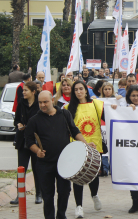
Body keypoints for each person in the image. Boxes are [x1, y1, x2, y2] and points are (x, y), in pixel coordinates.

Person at [25, 91, 95, 219]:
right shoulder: (34, 120)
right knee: (47, 195)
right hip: (44, 164)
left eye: (45, 102)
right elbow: (29, 141)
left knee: (64, 192)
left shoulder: (64, 114)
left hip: (64, 163)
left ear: (52, 100)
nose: (42, 105)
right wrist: (37, 151)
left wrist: (86, 144)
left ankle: (61, 215)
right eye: (40, 102)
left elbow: (74, 131)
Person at [65, 81, 104, 218]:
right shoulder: (68, 108)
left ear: (86, 90)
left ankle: (94, 195)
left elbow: (111, 115)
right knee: (78, 178)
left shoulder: (97, 104)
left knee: (94, 175)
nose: (78, 91)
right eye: (76, 89)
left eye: (81, 89)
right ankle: (79, 206)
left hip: (95, 145)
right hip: (77, 147)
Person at [111, 85, 138, 213]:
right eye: (133, 96)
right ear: (129, 97)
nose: (136, 98)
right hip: (130, 147)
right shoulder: (125, 109)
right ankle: (135, 202)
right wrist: (121, 110)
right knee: (131, 172)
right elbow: (115, 113)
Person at [10, 81, 42, 205]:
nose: (23, 92)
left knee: (37, 168)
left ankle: (38, 194)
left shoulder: (39, 104)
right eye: (23, 90)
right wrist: (18, 124)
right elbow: (16, 119)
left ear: (33, 92)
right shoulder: (21, 104)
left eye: (25, 90)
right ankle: (20, 195)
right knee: (21, 169)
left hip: (35, 141)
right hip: (22, 140)